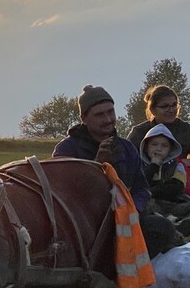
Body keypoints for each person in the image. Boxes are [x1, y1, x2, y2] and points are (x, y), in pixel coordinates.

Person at [53, 85, 180, 256]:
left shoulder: (126, 148)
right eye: (100, 114)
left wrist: (133, 210)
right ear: (84, 118)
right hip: (85, 224)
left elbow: (141, 189)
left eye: (110, 112)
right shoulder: (67, 149)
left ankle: (119, 266)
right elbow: (63, 195)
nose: (108, 119)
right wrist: (97, 165)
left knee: (162, 228)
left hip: (125, 220)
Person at [127, 84, 190, 198]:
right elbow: (127, 161)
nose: (171, 110)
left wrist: (186, 163)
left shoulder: (185, 131)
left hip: (178, 182)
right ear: (153, 109)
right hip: (146, 182)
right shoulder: (139, 133)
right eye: (165, 106)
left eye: (174, 105)